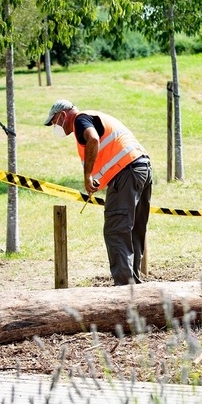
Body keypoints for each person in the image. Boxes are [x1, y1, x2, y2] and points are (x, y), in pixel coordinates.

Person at [44, 99, 152, 286]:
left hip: (126, 172)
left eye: (54, 121)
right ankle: (134, 284)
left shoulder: (80, 120)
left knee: (116, 229)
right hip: (142, 168)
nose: (55, 126)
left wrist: (87, 176)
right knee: (133, 229)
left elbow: (93, 138)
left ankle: (125, 289)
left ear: (62, 115)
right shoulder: (93, 116)